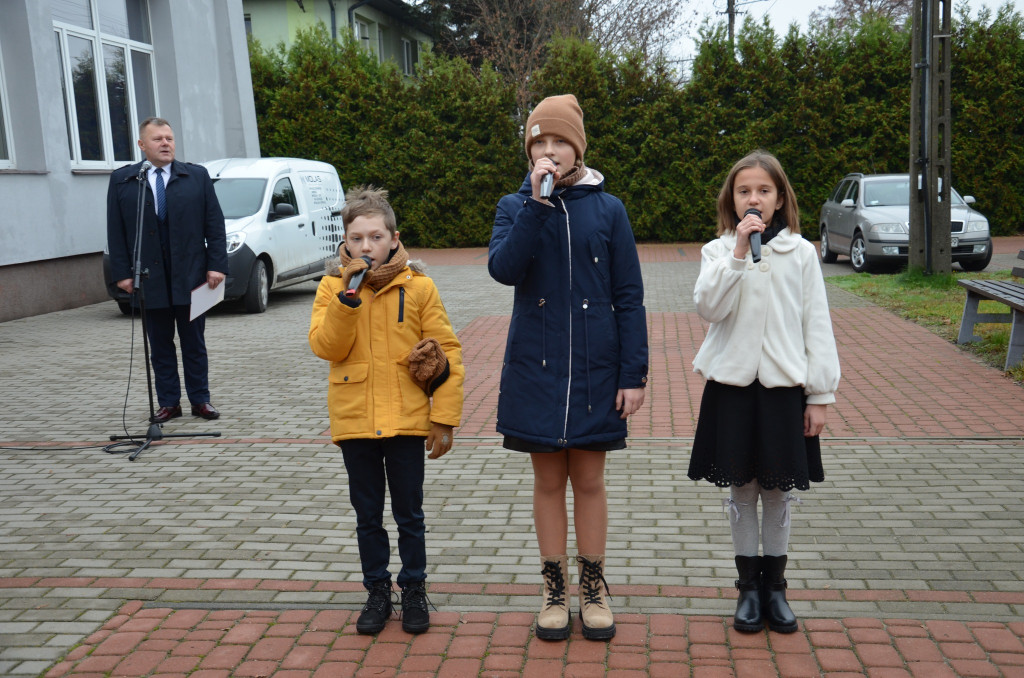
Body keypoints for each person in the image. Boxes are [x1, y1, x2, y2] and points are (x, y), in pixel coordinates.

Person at [488, 94, 648, 642]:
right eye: (540, 143)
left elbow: (629, 296)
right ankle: (554, 588)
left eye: (559, 142)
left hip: (597, 371)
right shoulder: (514, 207)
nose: (549, 152)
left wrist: (634, 374)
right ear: (530, 150)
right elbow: (504, 270)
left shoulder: (610, 209)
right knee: (547, 480)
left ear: (578, 148)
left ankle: (594, 587)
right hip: (536, 367)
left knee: (590, 480)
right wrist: (535, 205)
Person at [688, 150, 841, 634]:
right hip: (732, 388)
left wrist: (819, 395)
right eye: (744, 191)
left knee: (777, 489)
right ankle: (747, 589)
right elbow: (708, 308)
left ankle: (775, 588)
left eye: (764, 190)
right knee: (742, 487)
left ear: (780, 199)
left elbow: (816, 324)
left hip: (782, 389)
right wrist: (737, 252)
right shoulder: (717, 252)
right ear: (731, 201)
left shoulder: (800, 253)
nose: (754, 198)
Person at [308, 186, 464, 636]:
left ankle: (414, 588)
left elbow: (448, 351)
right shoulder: (331, 288)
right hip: (354, 419)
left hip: (406, 420)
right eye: (356, 238)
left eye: (375, 237)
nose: (365, 247)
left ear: (394, 239)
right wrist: (346, 303)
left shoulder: (420, 288)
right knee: (367, 514)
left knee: (410, 514)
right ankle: (377, 591)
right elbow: (325, 346)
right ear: (345, 241)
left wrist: (444, 416)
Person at [107, 117, 228, 423]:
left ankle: (201, 400)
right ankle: (168, 403)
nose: (165, 144)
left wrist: (216, 265)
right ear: (142, 145)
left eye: (169, 138)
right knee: (160, 346)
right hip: (151, 279)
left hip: (192, 277)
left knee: (194, 344)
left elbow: (214, 225)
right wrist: (123, 273)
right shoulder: (124, 180)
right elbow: (116, 231)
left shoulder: (196, 176)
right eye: (158, 139)